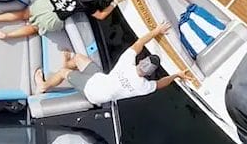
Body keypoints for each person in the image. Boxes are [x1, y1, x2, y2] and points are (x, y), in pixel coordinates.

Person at [34, 23, 195, 104]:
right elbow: (161, 83)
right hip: (99, 78)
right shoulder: (144, 87)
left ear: (140, 62)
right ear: (148, 74)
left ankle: (44, 86)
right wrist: (176, 75)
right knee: (79, 58)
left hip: (92, 90)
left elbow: (139, 43)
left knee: (63, 72)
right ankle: (69, 63)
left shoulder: (126, 63)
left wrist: (157, 31)